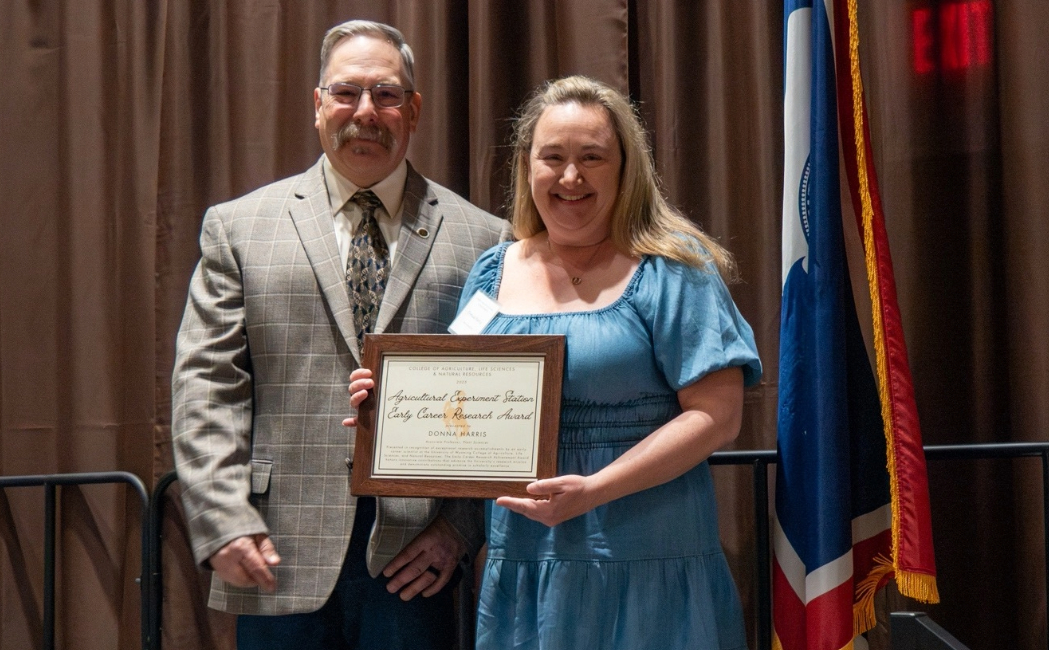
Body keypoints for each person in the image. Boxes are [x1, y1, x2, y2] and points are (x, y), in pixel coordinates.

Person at [348, 75, 762, 649]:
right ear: (527, 166)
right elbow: (462, 408)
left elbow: (718, 416)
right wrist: (389, 411)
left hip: (646, 556)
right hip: (524, 559)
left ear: (625, 167)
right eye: (554, 157)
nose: (571, 176)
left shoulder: (673, 266)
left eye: (592, 157)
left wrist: (594, 489)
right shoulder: (490, 274)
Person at [171, 20, 509, 650]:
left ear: (413, 110)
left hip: (417, 559)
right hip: (277, 547)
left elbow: (503, 407)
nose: (366, 112)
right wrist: (221, 521)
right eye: (347, 93)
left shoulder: (483, 239)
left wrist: (460, 531)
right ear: (318, 105)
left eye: (385, 94)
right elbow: (206, 384)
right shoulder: (239, 229)